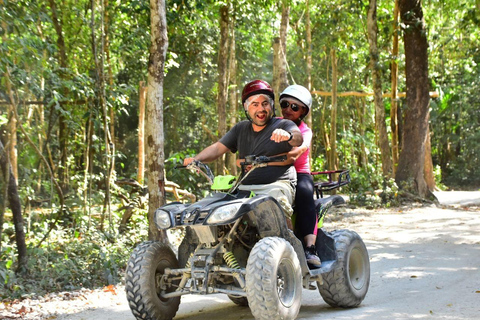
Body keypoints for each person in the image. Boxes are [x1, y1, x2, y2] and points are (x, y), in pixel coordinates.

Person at [183, 79, 303, 216]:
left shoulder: (284, 124)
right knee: (211, 212)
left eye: (265, 104)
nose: (261, 109)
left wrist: (288, 136)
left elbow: (298, 138)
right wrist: (196, 160)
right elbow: (217, 148)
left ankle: (284, 238)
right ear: (246, 108)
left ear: (271, 106)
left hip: (276, 185)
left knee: (276, 208)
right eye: (255, 104)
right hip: (244, 187)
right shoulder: (241, 128)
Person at [280, 84, 322, 268]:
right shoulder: (274, 123)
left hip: (299, 173)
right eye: (285, 104)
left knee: (305, 194)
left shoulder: (305, 131)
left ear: (303, 111)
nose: (288, 109)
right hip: (275, 172)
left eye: (294, 107)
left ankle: (310, 247)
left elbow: (297, 152)